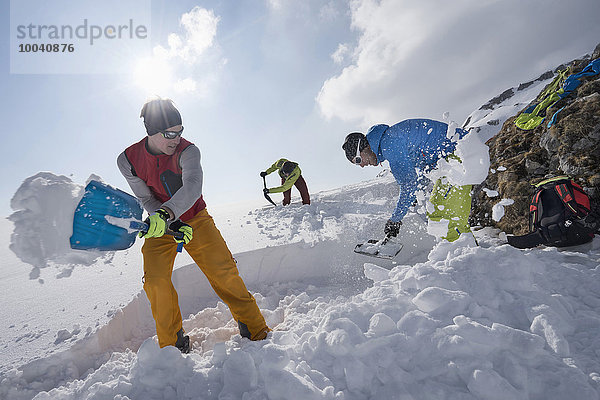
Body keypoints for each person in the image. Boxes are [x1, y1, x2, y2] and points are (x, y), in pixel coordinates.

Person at [117, 98, 269, 353]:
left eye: (180, 131)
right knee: (155, 282)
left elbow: (192, 188)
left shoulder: (188, 151)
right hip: (160, 225)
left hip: (195, 218)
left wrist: (168, 215)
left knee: (224, 272)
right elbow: (145, 198)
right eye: (169, 133)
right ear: (151, 132)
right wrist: (164, 222)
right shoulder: (128, 160)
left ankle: (256, 329)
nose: (176, 138)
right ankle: (172, 346)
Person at [342, 119, 471, 242]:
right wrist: (415, 193)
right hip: (456, 157)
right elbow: (422, 170)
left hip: (460, 154)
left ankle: (459, 256)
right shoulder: (390, 138)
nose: (362, 165)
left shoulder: (389, 143)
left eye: (358, 160)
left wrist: (395, 220)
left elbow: (408, 183)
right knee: (443, 214)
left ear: (363, 148)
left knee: (441, 215)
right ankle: (466, 251)